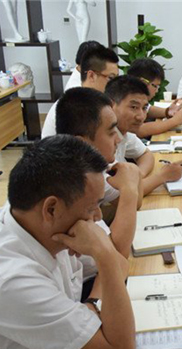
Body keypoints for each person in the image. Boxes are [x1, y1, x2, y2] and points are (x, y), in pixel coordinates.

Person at [0, 135, 135, 349]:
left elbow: (121, 264)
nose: (98, 217)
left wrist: (91, 308)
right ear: (51, 209)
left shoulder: (33, 220)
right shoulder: (8, 280)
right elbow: (121, 348)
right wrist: (105, 256)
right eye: (93, 208)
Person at [56, 87, 141, 263]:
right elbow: (116, 258)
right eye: (111, 133)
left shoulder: (87, 169)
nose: (118, 139)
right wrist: (129, 190)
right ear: (82, 143)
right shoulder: (68, 187)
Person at [105, 75, 182, 195]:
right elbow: (122, 196)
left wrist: (138, 175)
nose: (141, 116)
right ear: (111, 106)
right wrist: (162, 176)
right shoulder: (100, 139)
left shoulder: (123, 131)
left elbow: (145, 154)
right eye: (133, 107)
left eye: (144, 108)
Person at [42, 46, 119, 138]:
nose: (115, 84)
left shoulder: (93, 99)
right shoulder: (76, 104)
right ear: (91, 76)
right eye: (111, 78)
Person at [126, 58, 182, 138]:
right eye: (155, 86)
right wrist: (174, 121)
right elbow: (138, 130)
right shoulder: (126, 99)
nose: (157, 90)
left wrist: (167, 112)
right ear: (143, 82)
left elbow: (148, 109)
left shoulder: (136, 97)